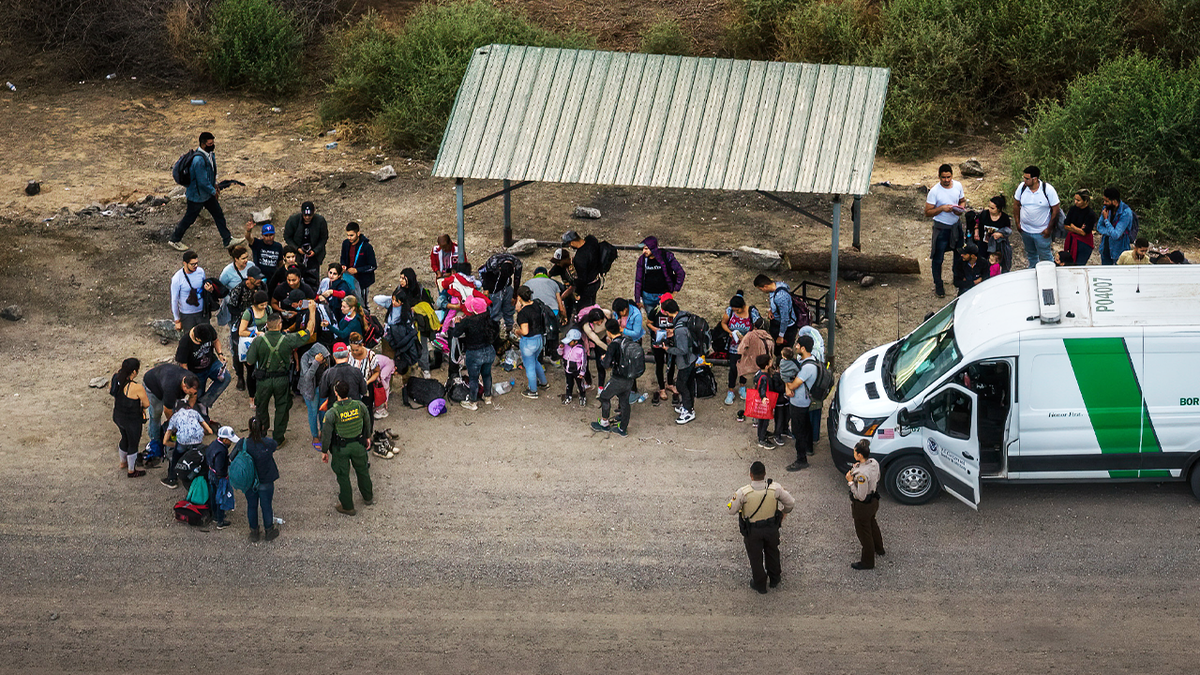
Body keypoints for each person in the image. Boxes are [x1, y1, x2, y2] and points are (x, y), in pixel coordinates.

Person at [244, 304, 316, 445]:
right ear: (279, 325)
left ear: (267, 325)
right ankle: (278, 438)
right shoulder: (288, 339)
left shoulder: (258, 340)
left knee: (262, 407)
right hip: (282, 379)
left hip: (263, 380)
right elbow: (309, 331)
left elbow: (250, 361)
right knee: (282, 408)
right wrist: (312, 312)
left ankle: (262, 434)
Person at [726, 461, 795, 594]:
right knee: (772, 552)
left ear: (750, 475)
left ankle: (760, 584)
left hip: (753, 531)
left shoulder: (743, 492)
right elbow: (791, 502)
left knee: (755, 557)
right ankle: (775, 578)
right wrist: (783, 513)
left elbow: (730, 509)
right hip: (771, 528)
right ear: (764, 474)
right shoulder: (775, 488)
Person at [168, 132, 240, 250]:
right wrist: (213, 191)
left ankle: (227, 239)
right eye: (210, 143)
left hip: (206, 194)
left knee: (218, 215)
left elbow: (211, 174)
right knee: (189, 218)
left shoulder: (209, 155)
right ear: (203, 144)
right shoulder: (198, 160)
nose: (212, 145)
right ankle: (174, 239)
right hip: (197, 196)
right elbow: (202, 181)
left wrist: (214, 185)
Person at [320, 380, 374, 516]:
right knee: (363, 471)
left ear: (336, 393)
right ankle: (368, 497)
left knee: (343, 476)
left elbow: (326, 434)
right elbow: (368, 422)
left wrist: (324, 451)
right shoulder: (360, 406)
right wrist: (367, 437)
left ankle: (347, 506)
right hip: (358, 445)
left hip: (341, 449)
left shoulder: (332, 413)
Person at [924, 163, 966, 297]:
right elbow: (927, 212)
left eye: (948, 177)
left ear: (952, 176)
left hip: (956, 226)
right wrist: (942, 208)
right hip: (941, 227)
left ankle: (957, 278)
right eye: (943, 177)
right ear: (939, 177)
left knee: (959, 254)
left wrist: (960, 209)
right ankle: (938, 284)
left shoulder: (958, 186)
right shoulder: (934, 191)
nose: (946, 180)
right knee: (938, 258)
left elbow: (962, 200)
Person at [142, 363, 199, 462]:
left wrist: (187, 414)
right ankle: (155, 441)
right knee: (156, 413)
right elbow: (167, 410)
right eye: (189, 392)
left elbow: (193, 396)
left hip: (163, 378)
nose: (190, 394)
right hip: (152, 386)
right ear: (184, 387)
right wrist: (176, 425)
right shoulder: (171, 388)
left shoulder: (193, 381)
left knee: (176, 413)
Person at [590, 319, 635, 436]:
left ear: (608, 332)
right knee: (624, 401)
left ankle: (604, 423)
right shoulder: (627, 339)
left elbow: (606, 365)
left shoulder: (613, 345)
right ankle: (622, 428)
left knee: (604, 397)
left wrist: (603, 358)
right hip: (629, 377)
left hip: (618, 378)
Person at [781, 335, 819, 471]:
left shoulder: (807, 368)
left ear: (803, 348)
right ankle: (809, 448)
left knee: (799, 431)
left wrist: (787, 385)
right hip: (803, 401)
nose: (795, 346)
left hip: (799, 402)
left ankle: (801, 459)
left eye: (797, 345)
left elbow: (793, 385)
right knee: (806, 425)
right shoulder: (809, 360)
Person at [175, 323, 229, 414]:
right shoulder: (185, 343)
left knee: (226, 377)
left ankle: (205, 402)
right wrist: (190, 379)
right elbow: (183, 365)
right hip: (196, 372)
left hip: (212, 363)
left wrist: (220, 354)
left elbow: (216, 341)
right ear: (197, 339)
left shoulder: (207, 329)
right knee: (196, 396)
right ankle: (200, 415)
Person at [846, 439, 884, 570]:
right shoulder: (874, 463)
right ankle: (879, 548)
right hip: (874, 500)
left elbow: (861, 496)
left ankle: (867, 562)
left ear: (860, 455)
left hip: (863, 506)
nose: (854, 454)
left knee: (864, 533)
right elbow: (877, 477)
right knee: (872, 523)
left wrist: (851, 482)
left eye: (855, 452)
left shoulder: (861, 475)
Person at [1012, 165, 1060, 268]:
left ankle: (1050, 273)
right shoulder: (1022, 187)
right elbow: (1016, 204)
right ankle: (1033, 271)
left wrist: (1049, 229)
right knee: (1031, 254)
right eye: (1024, 178)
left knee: (1046, 256)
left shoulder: (1048, 190)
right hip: (1025, 230)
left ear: (1035, 179)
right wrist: (1017, 222)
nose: (1024, 180)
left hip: (1041, 232)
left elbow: (1056, 210)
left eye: (1027, 178)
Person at [241, 417, 280, 542]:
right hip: (266, 479)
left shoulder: (245, 444)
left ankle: (254, 532)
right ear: (263, 428)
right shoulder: (268, 443)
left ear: (249, 429)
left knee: (252, 506)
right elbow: (275, 446)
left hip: (249, 481)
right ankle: (269, 530)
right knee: (266, 506)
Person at [455, 296, 497, 411]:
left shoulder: (468, 321)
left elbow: (456, 333)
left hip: (474, 353)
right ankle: (487, 397)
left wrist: (458, 322)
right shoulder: (488, 319)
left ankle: (472, 402)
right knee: (487, 375)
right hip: (489, 351)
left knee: (473, 378)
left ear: (473, 310)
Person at [160, 397, 212, 489]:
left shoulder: (175, 417)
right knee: (197, 455)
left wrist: (175, 445)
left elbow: (165, 441)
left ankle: (172, 479)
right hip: (198, 440)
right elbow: (209, 431)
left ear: (176, 409)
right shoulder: (195, 413)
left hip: (183, 441)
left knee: (175, 457)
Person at [110, 358, 149, 478]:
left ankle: (123, 463)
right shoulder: (136, 387)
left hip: (118, 416)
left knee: (124, 438)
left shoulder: (116, 378)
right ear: (134, 372)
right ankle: (131, 471)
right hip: (132, 420)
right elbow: (146, 404)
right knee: (133, 443)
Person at [663, 298, 698, 425]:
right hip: (693, 356)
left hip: (686, 361)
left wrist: (668, 349)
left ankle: (688, 411)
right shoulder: (685, 316)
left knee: (681, 385)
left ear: (667, 312)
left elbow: (682, 350)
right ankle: (688, 406)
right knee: (688, 384)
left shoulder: (679, 330)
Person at [721, 291, 760, 405]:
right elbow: (723, 323)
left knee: (744, 366)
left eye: (737, 309)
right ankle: (731, 389)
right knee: (733, 367)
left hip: (747, 345)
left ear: (743, 306)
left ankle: (742, 386)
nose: (736, 311)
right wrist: (730, 332)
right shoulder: (729, 311)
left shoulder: (752, 312)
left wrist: (748, 337)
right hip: (734, 345)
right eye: (734, 309)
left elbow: (757, 327)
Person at [237, 290, 275, 397]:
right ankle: (252, 396)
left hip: (265, 343)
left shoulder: (268, 309)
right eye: (261, 305)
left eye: (265, 304)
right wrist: (255, 333)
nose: (264, 307)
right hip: (252, 344)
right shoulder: (248, 313)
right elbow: (241, 331)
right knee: (251, 371)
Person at [514, 285, 548, 398]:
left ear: (519, 297)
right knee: (535, 361)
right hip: (539, 339)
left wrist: (517, 332)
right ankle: (543, 383)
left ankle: (533, 390)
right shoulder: (536, 305)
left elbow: (525, 331)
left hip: (529, 342)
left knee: (529, 367)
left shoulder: (523, 314)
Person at [634, 236, 685, 309]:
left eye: (646, 249)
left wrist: (675, 290)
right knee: (650, 318)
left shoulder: (666, 257)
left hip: (663, 295)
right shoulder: (642, 260)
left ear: (653, 248)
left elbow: (680, 272)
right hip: (647, 296)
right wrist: (637, 300)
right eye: (643, 249)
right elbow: (638, 280)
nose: (643, 251)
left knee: (664, 318)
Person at [753, 275, 797, 357]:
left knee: (782, 351)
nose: (761, 291)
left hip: (786, 327)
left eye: (761, 289)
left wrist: (781, 335)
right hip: (776, 321)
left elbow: (785, 318)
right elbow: (773, 302)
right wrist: (771, 310)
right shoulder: (777, 286)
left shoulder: (780, 297)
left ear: (765, 286)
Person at [645, 295, 677, 406]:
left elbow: (678, 324)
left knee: (671, 362)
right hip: (658, 342)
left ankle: (670, 383)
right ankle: (662, 387)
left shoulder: (674, 311)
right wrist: (656, 329)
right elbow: (648, 323)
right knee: (659, 364)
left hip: (671, 342)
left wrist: (672, 330)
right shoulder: (655, 312)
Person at [171, 250, 213, 336]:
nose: (195, 266)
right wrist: (177, 320)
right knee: (190, 338)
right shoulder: (177, 278)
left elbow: (204, 288)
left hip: (202, 312)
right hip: (187, 314)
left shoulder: (200, 272)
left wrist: (209, 289)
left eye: (197, 263)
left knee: (207, 335)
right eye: (192, 264)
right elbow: (174, 300)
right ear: (185, 263)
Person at [284, 201, 330, 280]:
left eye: (310, 215)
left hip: (314, 254)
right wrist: (297, 248)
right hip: (298, 254)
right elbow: (287, 237)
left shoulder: (320, 221)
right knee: (296, 275)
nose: (307, 217)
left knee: (313, 277)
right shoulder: (293, 220)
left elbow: (324, 238)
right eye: (305, 215)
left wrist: (315, 251)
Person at [203, 426, 238, 530]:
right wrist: (224, 476)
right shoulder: (222, 451)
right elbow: (219, 468)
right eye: (230, 441)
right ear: (225, 439)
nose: (230, 443)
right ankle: (220, 521)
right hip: (219, 477)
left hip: (211, 472)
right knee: (221, 498)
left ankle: (215, 515)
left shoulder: (213, 444)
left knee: (213, 495)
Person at [298, 341, 330, 452]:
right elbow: (307, 377)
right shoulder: (305, 358)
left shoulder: (326, 357)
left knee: (323, 411)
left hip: (323, 388)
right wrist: (316, 363)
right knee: (312, 412)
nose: (325, 361)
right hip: (310, 390)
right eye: (323, 359)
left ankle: (323, 431)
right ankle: (315, 436)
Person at [319, 342, 370, 410]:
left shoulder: (328, 374)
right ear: (348, 355)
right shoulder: (356, 372)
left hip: (336, 412)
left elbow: (322, 394)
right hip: (355, 411)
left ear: (334, 356)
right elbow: (364, 391)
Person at [480, 252, 522, 332]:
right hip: (493, 287)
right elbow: (483, 273)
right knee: (494, 311)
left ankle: (509, 329)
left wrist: (514, 295)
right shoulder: (493, 262)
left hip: (507, 286)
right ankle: (493, 331)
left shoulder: (517, 263)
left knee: (509, 307)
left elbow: (517, 279)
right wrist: (486, 289)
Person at [562, 230, 605, 308]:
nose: (570, 246)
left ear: (572, 242)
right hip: (596, 280)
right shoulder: (591, 240)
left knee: (585, 308)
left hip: (588, 287)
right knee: (592, 301)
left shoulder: (580, 258)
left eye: (569, 244)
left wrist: (577, 292)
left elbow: (582, 280)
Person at [1096, 186, 1134, 265]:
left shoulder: (1126, 213)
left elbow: (1116, 235)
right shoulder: (1106, 209)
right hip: (1106, 246)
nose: (1104, 203)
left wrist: (1106, 220)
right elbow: (1099, 227)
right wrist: (1111, 232)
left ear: (1114, 201)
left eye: (1107, 201)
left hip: (1120, 250)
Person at [975, 196, 1013, 273]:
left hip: (997, 247)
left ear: (999, 209)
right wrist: (976, 233)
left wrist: (1000, 234)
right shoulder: (984, 214)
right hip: (983, 244)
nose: (989, 209)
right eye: (989, 207)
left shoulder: (1004, 218)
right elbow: (977, 224)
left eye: (992, 208)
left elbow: (1007, 231)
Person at [340, 221, 377, 297]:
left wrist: (357, 270)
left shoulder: (367, 247)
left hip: (362, 281)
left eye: (351, 235)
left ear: (358, 233)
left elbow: (373, 266)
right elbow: (343, 258)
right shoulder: (345, 244)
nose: (349, 238)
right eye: (347, 235)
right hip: (349, 278)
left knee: (362, 302)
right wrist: (343, 265)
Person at [1063, 189, 1097, 266]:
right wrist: (1078, 229)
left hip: (1084, 243)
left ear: (1085, 201)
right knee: (1069, 263)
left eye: (1078, 200)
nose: (1076, 202)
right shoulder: (1073, 209)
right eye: (1075, 199)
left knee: (1079, 265)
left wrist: (1073, 227)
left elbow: (1084, 232)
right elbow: (1065, 225)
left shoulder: (1090, 214)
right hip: (1072, 240)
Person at [750, 354, 776, 449]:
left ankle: (761, 433)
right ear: (766, 365)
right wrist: (764, 397)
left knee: (761, 419)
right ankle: (762, 438)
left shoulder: (758, 373)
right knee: (765, 420)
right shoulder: (765, 377)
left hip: (759, 402)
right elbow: (762, 389)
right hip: (765, 402)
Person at [558, 327, 587, 406]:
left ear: (575, 341)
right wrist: (560, 348)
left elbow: (584, 362)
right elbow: (560, 354)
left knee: (580, 384)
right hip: (567, 369)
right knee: (569, 384)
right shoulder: (566, 346)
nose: (568, 343)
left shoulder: (581, 350)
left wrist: (582, 372)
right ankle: (568, 396)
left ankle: (582, 396)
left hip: (577, 370)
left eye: (570, 341)